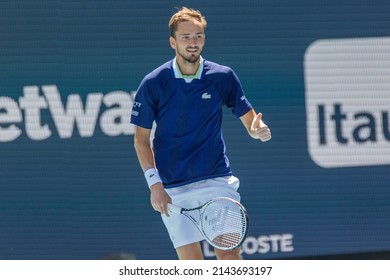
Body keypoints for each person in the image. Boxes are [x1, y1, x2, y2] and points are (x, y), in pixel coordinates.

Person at [130, 7, 271, 260]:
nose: (192, 42)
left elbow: (250, 122)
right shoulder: (153, 83)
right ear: (173, 41)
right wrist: (155, 185)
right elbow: (141, 140)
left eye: (198, 36)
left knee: (228, 257)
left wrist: (257, 130)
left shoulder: (223, 76)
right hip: (173, 189)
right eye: (185, 37)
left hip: (216, 181)